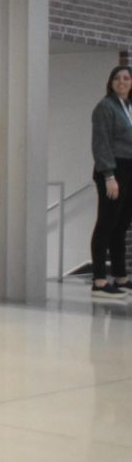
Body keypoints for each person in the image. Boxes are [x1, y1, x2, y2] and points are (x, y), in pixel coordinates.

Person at [88, 65, 132, 299]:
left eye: (126, 78)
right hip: (113, 170)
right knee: (106, 223)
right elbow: (101, 143)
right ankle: (99, 280)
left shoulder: (128, 107)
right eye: (117, 78)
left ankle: (120, 276)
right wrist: (109, 176)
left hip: (130, 168)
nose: (122, 82)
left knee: (122, 225)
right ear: (111, 82)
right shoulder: (105, 108)